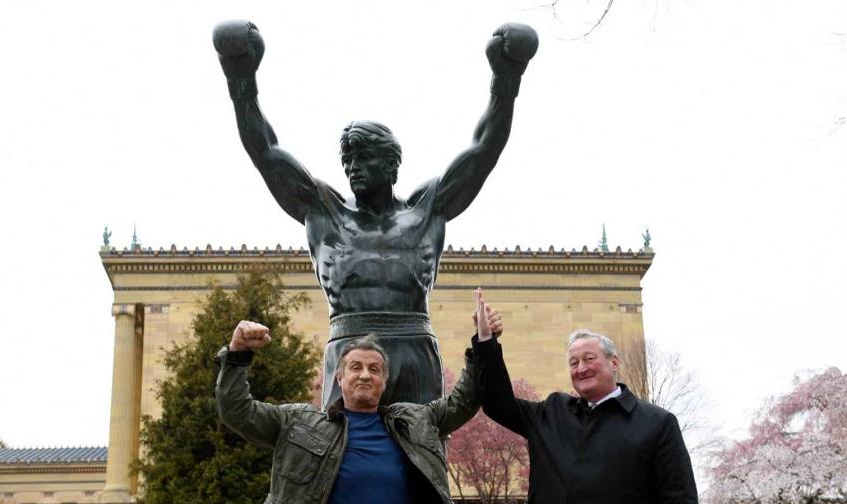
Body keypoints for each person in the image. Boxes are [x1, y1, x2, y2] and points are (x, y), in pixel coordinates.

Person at [212, 20, 538, 407]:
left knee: (420, 455)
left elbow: (484, 151)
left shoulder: (426, 209)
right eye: (348, 159)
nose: (353, 167)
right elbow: (265, 152)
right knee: (341, 455)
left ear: (391, 164)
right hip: (348, 350)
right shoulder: (324, 211)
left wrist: (506, 78)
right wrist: (241, 79)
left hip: (414, 350)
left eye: (364, 158)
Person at [216, 292, 502, 503]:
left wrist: (483, 344)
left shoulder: (416, 421)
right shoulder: (296, 422)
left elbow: (464, 401)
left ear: (384, 381)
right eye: (356, 367)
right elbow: (236, 411)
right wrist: (238, 353)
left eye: (374, 369)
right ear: (339, 378)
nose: (365, 375)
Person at [472, 297, 698, 504]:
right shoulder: (551, 413)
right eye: (573, 363)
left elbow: (679, 497)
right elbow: (496, 402)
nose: (581, 368)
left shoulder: (657, 423)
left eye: (589, 359)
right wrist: (486, 341)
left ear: (614, 362)